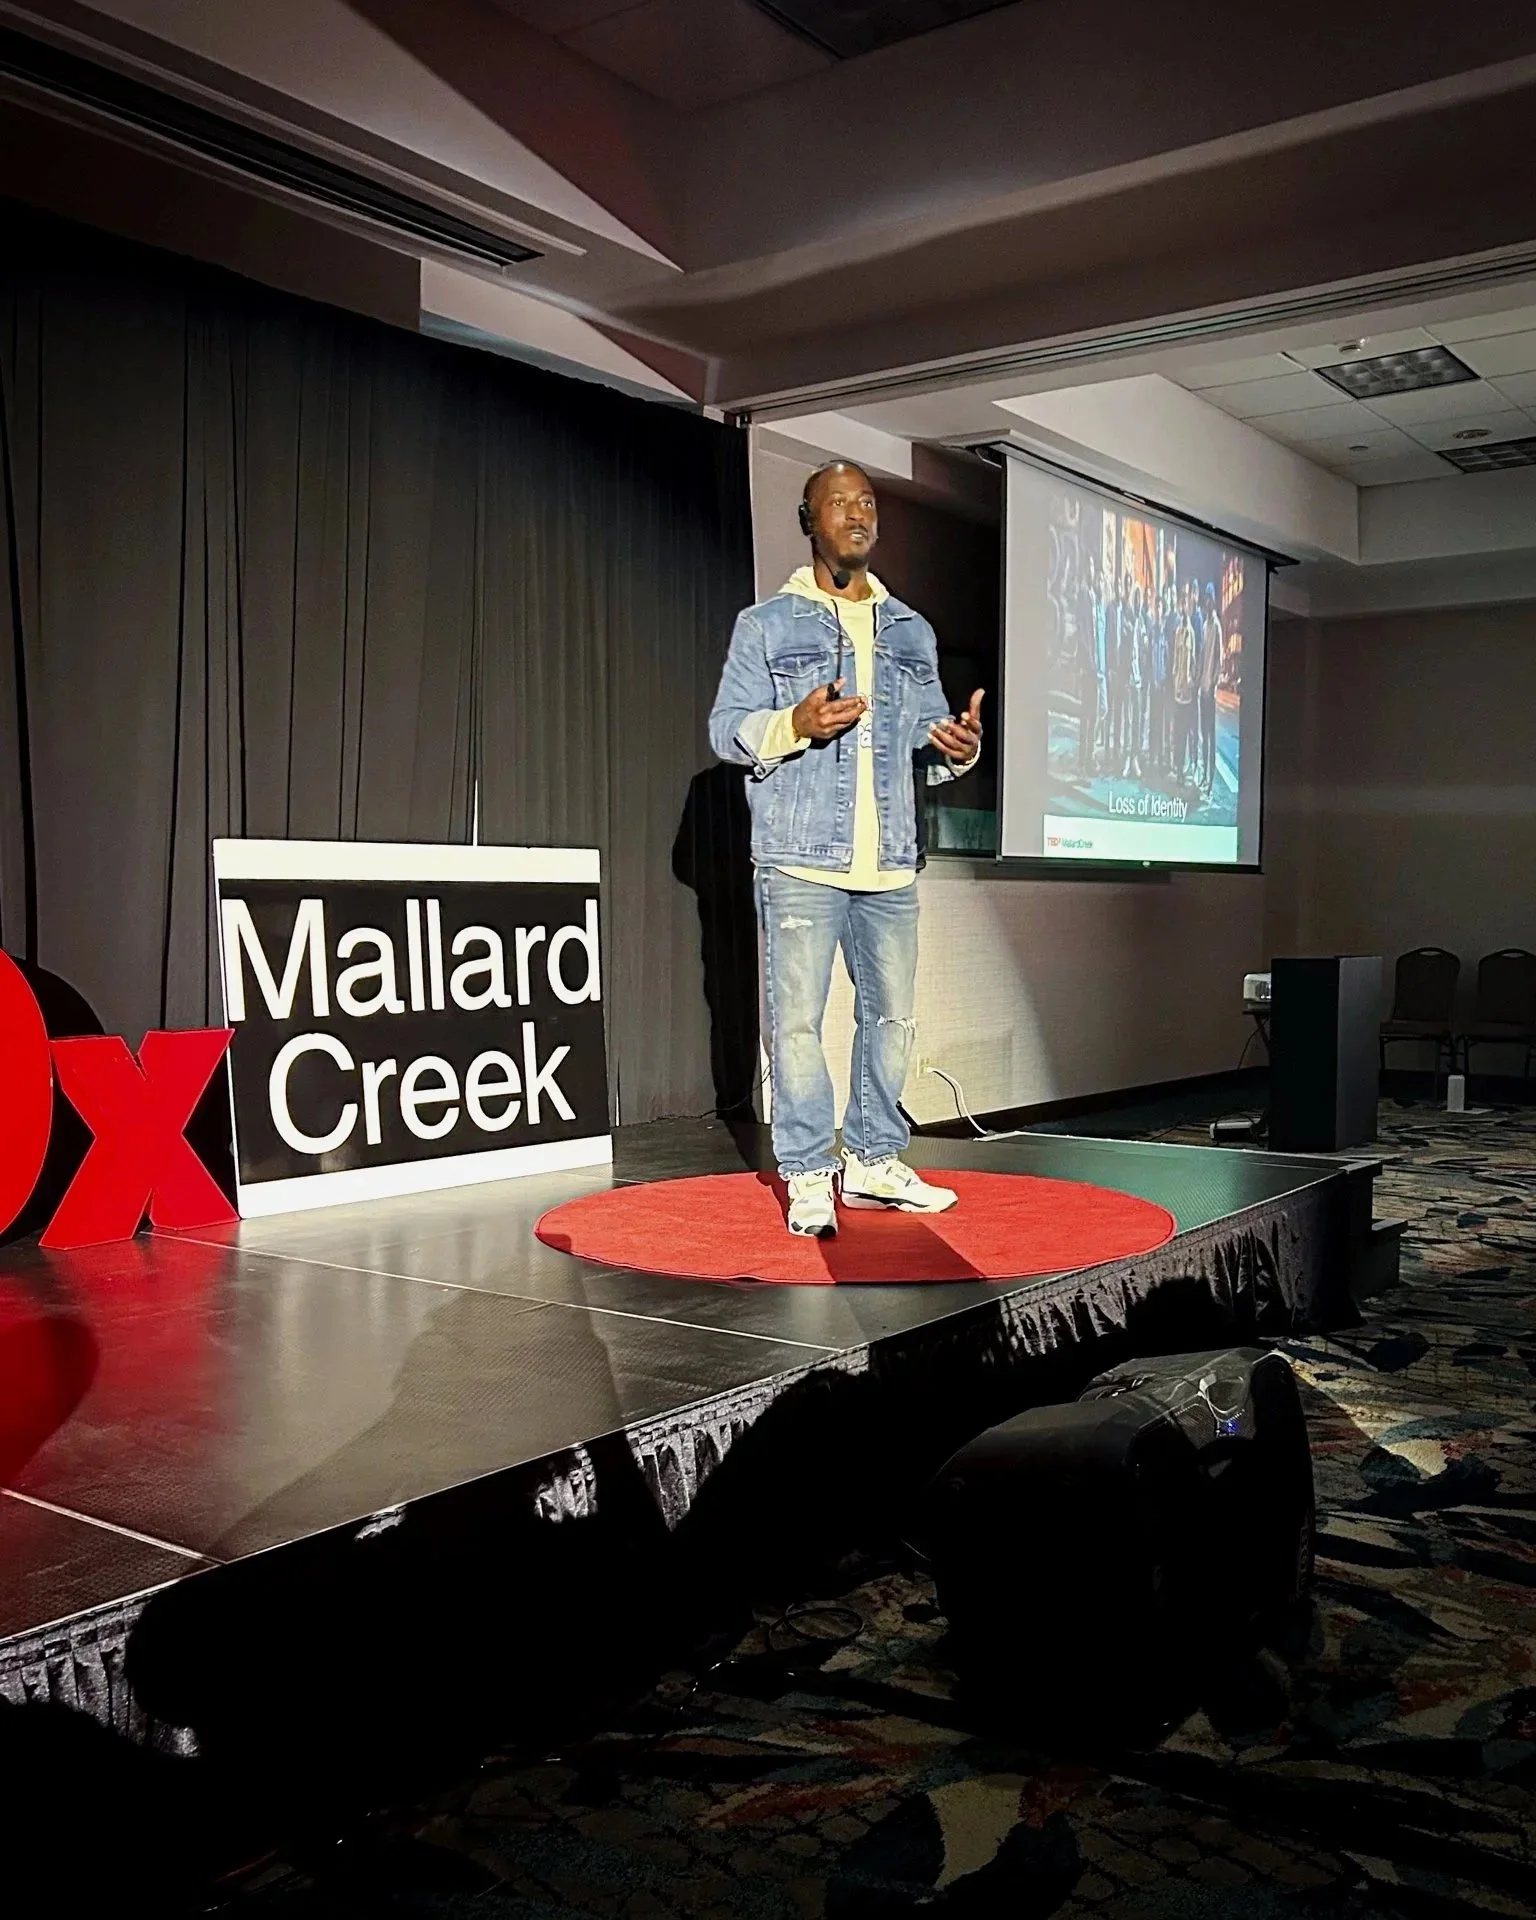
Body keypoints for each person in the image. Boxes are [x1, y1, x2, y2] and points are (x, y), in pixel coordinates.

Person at [708, 461, 983, 1238]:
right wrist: (794, 723)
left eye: (867, 503)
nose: (858, 514)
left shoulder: (910, 629)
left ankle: (872, 1160)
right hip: (800, 859)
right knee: (796, 1024)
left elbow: (928, 746)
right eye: (841, 503)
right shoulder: (766, 624)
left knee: (890, 1019)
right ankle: (806, 1170)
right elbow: (725, 728)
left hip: (890, 862)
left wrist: (958, 749)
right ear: (810, 520)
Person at [1076, 552, 1100, 777]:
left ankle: (1089, 759)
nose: (1094, 572)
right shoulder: (1083, 595)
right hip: (1088, 669)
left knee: (1093, 715)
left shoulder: (1093, 595)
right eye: (1091, 567)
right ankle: (1083, 765)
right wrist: (1089, 663)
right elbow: (1083, 632)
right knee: (1086, 716)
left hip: (1096, 669)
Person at [1198, 583, 1223, 796]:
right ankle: (1205, 775)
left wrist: (1212, 683)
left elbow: (1219, 659)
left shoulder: (1216, 626)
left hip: (1210, 691)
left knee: (1211, 736)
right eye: (1205, 598)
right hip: (1201, 690)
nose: (1206, 602)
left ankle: (1211, 778)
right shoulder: (1205, 625)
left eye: (1209, 598)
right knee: (1204, 735)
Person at [1172, 581, 1197, 783]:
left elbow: (1194, 661)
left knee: (1189, 733)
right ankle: (1178, 768)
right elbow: (1174, 660)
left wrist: (1191, 682)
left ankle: (1189, 765)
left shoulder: (1192, 633)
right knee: (1178, 734)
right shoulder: (1178, 633)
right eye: (1182, 606)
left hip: (1189, 695)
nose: (1184, 610)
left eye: (1186, 606)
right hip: (1177, 693)